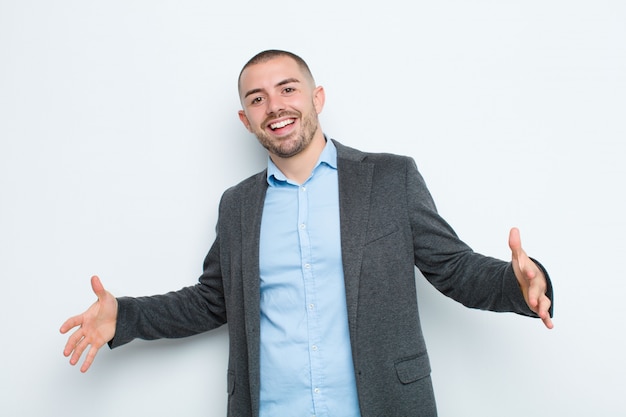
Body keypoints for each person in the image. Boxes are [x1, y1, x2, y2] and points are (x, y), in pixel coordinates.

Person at [60, 49, 554, 417]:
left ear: (316, 97)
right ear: (246, 118)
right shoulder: (238, 206)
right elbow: (213, 300)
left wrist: (519, 285)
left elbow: (453, 268)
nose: (275, 106)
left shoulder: (389, 179)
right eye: (258, 98)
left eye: (287, 89)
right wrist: (125, 316)